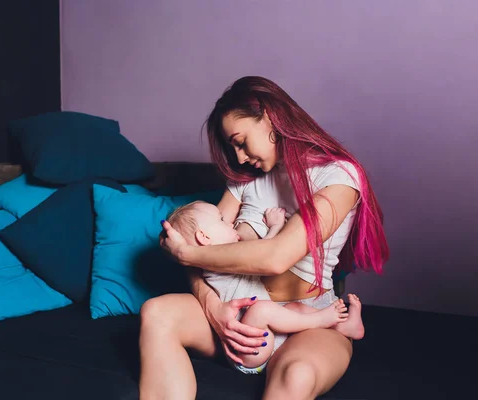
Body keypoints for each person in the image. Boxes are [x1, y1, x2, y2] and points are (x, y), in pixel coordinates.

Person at [139, 76, 389, 400]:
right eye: (233, 148)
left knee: (297, 375)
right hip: (242, 318)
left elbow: (275, 257)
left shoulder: (338, 177)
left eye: (240, 141)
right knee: (157, 313)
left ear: (270, 118)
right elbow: (202, 245)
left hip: (306, 319)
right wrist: (212, 306)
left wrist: (184, 255)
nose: (239, 157)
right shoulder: (244, 182)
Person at [166, 200, 361, 375]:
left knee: (294, 308)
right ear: (204, 238)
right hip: (247, 352)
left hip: (265, 337)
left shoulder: (226, 256)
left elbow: (261, 253)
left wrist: (275, 226)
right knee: (262, 309)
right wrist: (276, 226)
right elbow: (262, 255)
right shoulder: (213, 262)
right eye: (222, 220)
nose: (230, 223)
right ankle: (320, 320)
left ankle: (343, 326)